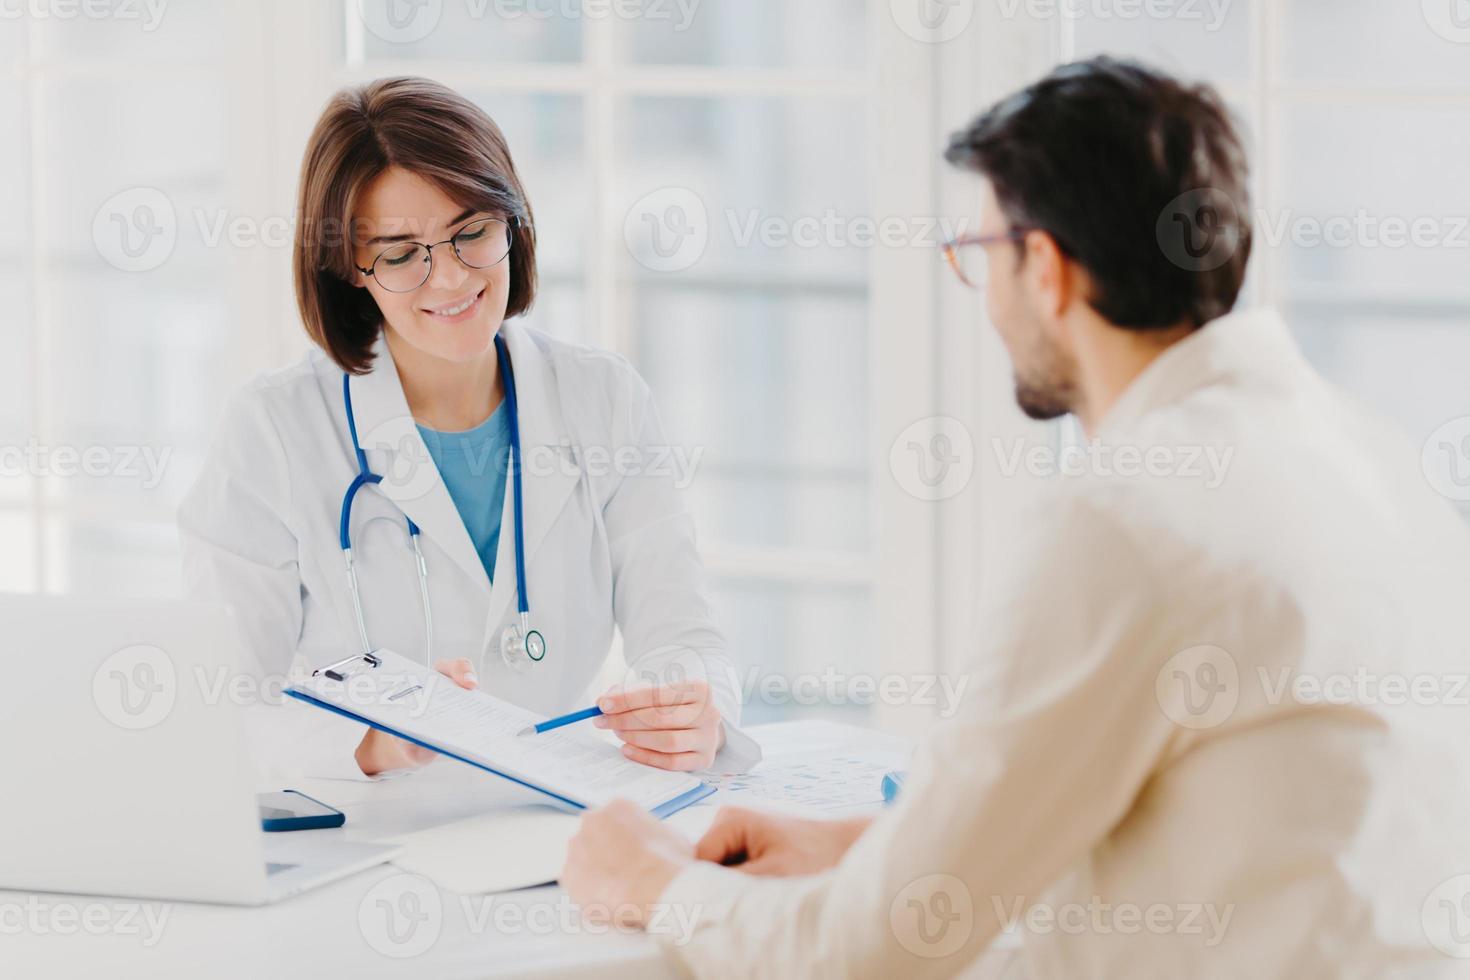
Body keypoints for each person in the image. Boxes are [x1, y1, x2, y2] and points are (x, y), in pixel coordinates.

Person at [558, 57, 1470, 976]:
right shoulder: (1371, 456)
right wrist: (872, 850)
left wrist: (653, 882)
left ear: (1046, 269)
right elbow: (1222, 823)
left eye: (977, 254)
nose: (981, 296)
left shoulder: (1130, 520)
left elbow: (866, 956)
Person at [179, 76, 759, 779]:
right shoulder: (274, 428)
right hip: (369, 839)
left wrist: (691, 714)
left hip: (556, 820)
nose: (450, 280)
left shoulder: (601, 398)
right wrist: (368, 743)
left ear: (512, 224)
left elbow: (683, 632)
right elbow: (221, 705)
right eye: (399, 253)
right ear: (350, 269)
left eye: (471, 233)